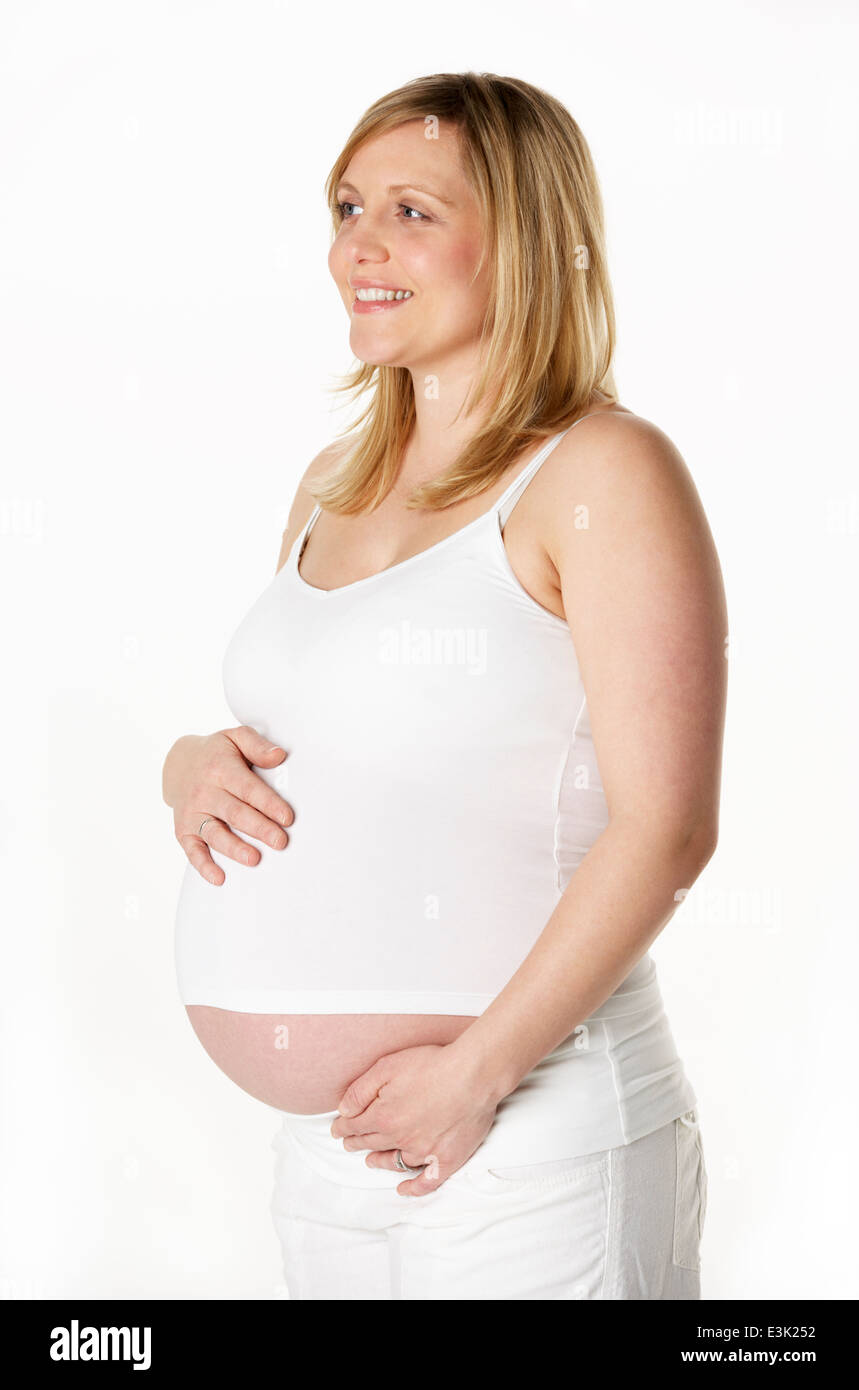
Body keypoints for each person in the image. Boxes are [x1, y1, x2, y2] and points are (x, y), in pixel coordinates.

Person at [163, 71, 726, 1300]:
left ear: (519, 239)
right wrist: (189, 765)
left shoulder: (603, 471)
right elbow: (329, 736)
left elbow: (668, 826)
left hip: (529, 1140)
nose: (357, 247)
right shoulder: (329, 483)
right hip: (329, 1157)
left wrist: (474, 1074)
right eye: (346, 206)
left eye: (411, 212)